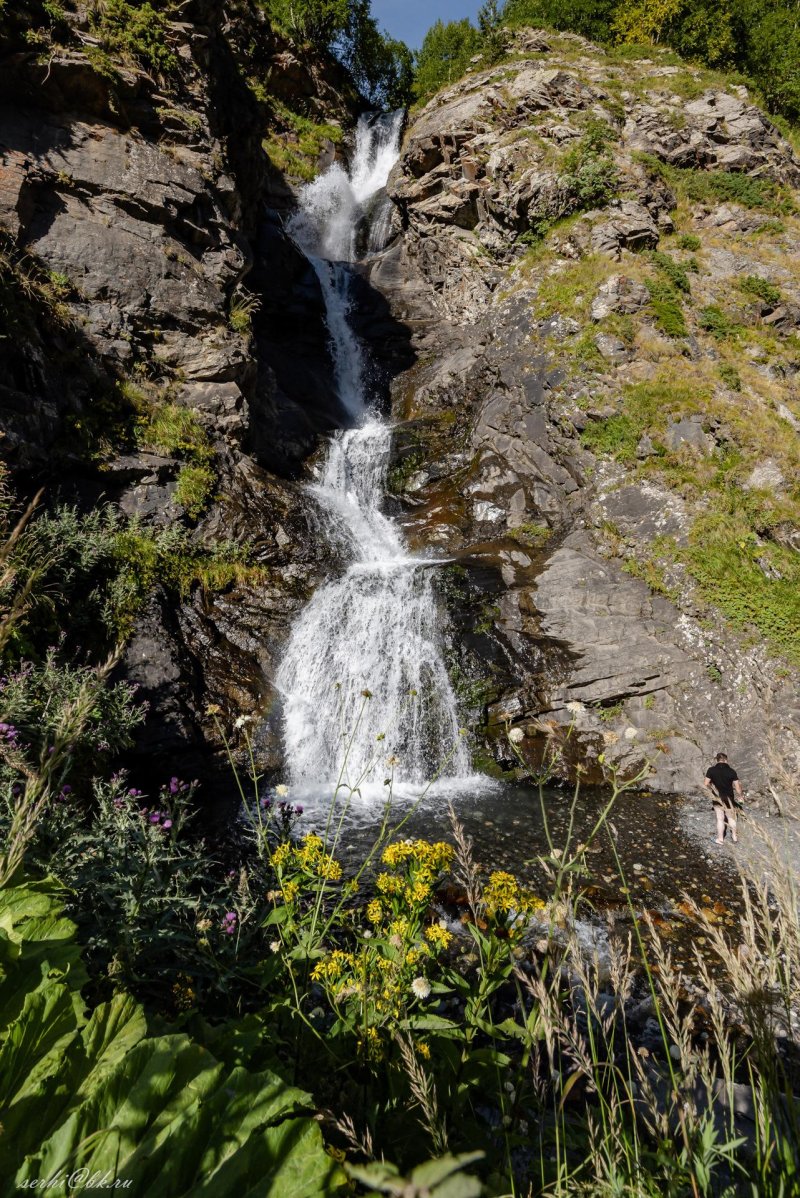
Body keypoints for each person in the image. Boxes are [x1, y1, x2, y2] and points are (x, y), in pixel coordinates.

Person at [703, 752, 743, 844]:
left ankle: (720, 839)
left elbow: (705, 783)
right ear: (726, 760)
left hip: (717, 797)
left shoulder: (711, 770)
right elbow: (737, 787)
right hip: (729, 797)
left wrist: (712, 787)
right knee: (731, 818)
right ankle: (734, 837)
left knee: (720, 818)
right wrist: (741, 796)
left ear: (717, 760)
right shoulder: (731, 771)